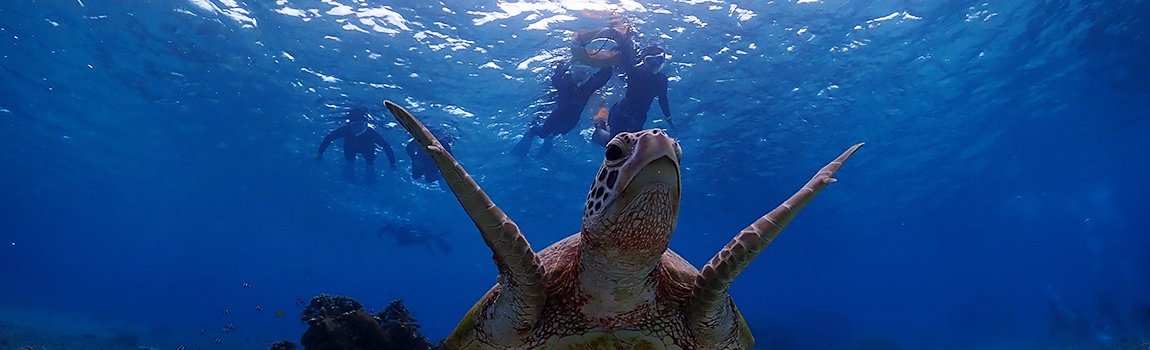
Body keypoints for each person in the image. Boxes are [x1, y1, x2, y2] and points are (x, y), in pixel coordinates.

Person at [512, 60, 612, 157]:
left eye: (583, 72)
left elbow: (604, 76)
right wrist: (567, 63)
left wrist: (607, 62)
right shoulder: (565, 83)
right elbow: (555, 78)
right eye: (578, 72)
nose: (580, 75)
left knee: (559, 132)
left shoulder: (589, 85)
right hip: (557, 117)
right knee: (543, 133)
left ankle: (549, 138)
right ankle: (532, 132)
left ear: (588, 74)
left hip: (572, 119)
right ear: (572, 72)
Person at [591, 38, 674, 146]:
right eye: (650, 60)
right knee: (616, 144)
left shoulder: (662, 80)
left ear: (663, 60)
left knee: (630, 146)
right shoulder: (635, 72)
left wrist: (668, 118)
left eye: (659, 59)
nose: (655, 64)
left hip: (638, 118)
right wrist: (622, 40)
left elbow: (663, 99)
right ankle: (600, 128)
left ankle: (603, 127)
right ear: (643, 62)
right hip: (620, 114)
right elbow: (626, 59)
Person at [316, 107, 397, 184]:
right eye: (354, 125)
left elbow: (385, 146)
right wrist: (320, 152)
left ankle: (365, 178)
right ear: (350, 124)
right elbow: (329, 138)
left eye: (360, 124)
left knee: (369, 162)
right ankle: (352, 178)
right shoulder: (346, 130)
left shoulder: (369, 133)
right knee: (351, 161)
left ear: (365, 124)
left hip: (365, 148)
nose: (358, 128)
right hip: (353, 148)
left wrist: (392, 162)